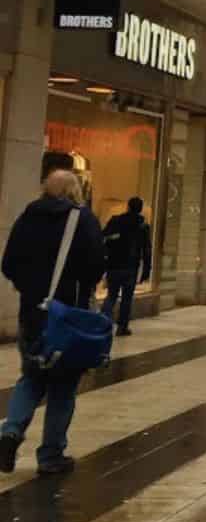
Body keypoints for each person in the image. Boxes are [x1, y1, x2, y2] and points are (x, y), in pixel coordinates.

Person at [0, 170, 106, 475]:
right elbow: (96, 265)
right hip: (68, 316)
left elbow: (8, 264)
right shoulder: (82, 219)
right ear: (75, 190)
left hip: (32, 313)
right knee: (63, 384)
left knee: (31, 375)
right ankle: (50, 455)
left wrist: (30, 289)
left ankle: (10, 433)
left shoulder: (29, 216)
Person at [101, 197, 152, 336]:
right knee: (127, 298)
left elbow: (103, 237)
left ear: (128, 207)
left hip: (114, 264)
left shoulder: (116, 221)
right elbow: (147, 250)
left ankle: (102, 323)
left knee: (111, 295)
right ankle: (122, 327)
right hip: (131, 267)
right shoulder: (143, 226)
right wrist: (146, 271)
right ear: (140, 209)